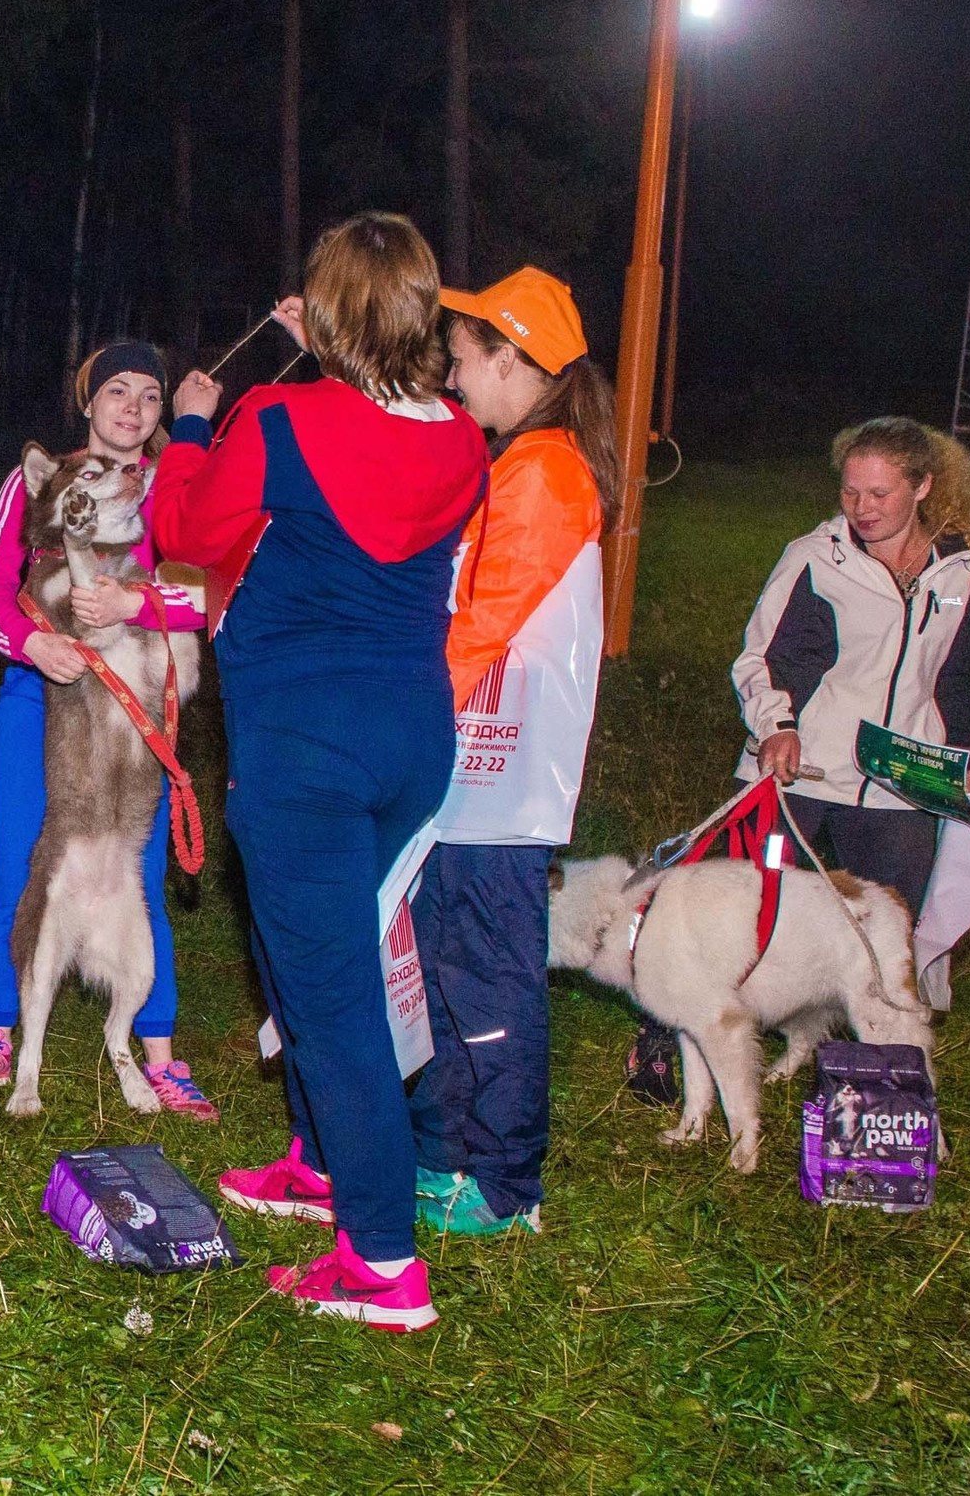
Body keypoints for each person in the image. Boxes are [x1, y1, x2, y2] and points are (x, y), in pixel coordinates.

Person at [153, 212, 487, 1332]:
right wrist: (338, 351)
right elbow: (379, 443)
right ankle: (316, 1155)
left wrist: (192, 426)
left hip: (305, 743)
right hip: (409, 735)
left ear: (331, 312)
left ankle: (383, 1260)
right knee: (298, 950)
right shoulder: (460, 437)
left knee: (334, 996)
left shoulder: (277, 418)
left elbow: (183, 527)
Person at [400, 267, 622, 1237]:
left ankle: (501, 1180)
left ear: (513, 359)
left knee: (487, 970)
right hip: (473, 769)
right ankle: (446, 1154)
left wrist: (398, 720)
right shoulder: (522, 462)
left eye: (463, 362)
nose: (454, 379)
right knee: (450, 962)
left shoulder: (546, 472)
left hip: (498, 774)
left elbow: (479, 623)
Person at [0, 340, 218, 1120]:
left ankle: (160, 1053)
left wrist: (140, 608)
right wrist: (32, 643)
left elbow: (204, 600)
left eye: (149, 397)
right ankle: (0, 1031)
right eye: (117, 393)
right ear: (88, 401)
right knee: (19, 868)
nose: (132, 410)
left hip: (135, 717)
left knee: (139, 877)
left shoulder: (175, 490)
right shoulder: (42, 487)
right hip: (43, 705)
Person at [731, 416, 970, 1003]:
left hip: (897, 784)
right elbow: (763, 658)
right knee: (743, 914)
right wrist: (777, 727)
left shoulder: (957, 572)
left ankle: (872, 1076)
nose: (861, 507)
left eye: (880, 493)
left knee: (891, 936)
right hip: (800, 771)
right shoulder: (815, 558)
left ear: (923, 486)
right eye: (850, 491)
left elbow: (961, 682)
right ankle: (675, 1042)